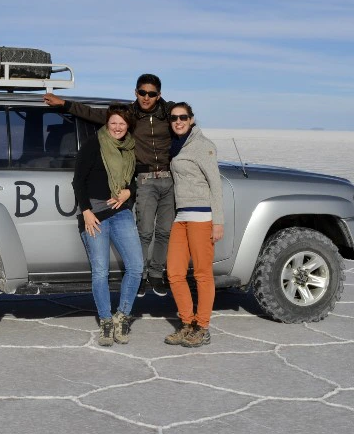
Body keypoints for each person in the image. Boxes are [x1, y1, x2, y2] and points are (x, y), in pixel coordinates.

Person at [45, 74, 174, 297]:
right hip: (142, 178)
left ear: (159, 95)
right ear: (136, 92)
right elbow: (94, 114)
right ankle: (140, 275)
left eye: (151, 94)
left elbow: (184, 127)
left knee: (164, 230)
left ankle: (156, 274)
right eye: (142, 92)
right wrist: (65, 104)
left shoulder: (169, 114)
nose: (146, 97)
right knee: (144, 230)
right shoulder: (127, 116)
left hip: (167, 177)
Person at [72, 104, 144, 346]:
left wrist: (127, 192)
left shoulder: (129, 148)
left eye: (122, 123)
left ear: (128, 126)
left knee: (136, 266)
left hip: (121, 212)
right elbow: (78, 181)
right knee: (100, 271)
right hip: (95, 214)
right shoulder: (95, 143)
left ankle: (122, 316)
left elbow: (133, 179)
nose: (117, 127)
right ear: (107, 123)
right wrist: (86, 212)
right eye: (113, 122)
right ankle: (105, 320)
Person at [163, 103, 224, 347]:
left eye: (183, 117)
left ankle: (203, 327)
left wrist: (217, 222)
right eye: (174, 118)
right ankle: (187, 323)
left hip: (202, 218)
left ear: (191, 119)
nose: (178, 121)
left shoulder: (203, 146)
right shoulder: (176, 145)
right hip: (182, 217)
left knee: (202, 274)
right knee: (175, 273)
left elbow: (216, 185)